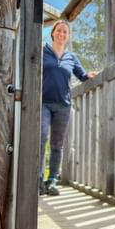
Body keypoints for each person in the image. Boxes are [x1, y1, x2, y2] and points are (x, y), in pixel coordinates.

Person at [40, 20, 98, 196]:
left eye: (65, 32)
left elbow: (81, 75)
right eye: (59, 31)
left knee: (57, 144)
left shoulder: (71, 57)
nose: (61, 34)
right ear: (53, 33)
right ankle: (38, 179)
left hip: (63, 105)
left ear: (68, 36)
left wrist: (89, 75)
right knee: (41, 138)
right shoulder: (43, 52)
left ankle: (52, 181)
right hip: (43, 102)